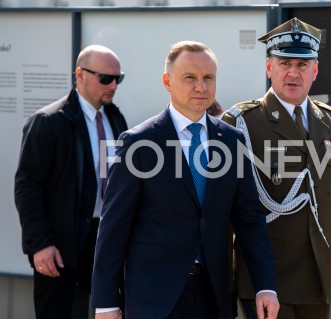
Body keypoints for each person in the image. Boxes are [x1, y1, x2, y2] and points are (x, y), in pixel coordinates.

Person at [91, 40, 279, 319]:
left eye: (208, 78)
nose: (201, 87)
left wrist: (266, 286)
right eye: (190, 78)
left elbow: (250, 219)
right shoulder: (138, 144)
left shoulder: (232, 141)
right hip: (153, 299)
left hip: (212, 295)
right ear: (167, 81)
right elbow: (113, 229)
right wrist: (106, 303)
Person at [222, 18, 331, 319]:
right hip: (263, 283)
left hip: (317, 279)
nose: (293, 72)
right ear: (269, 67)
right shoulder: (242, 124)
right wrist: (226, 284)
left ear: (315, 71)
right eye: (284, 62)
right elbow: (223, 213)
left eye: (302, 64)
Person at [14, 44, 128, 319]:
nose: (113, 85)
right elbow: (27, 186)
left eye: (118, 78)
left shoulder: (116, 119)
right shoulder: (48, 122)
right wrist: (39, 244)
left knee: (116, 311)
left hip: (106, 239)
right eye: (105, 78)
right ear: (80, 74)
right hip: (60, 245)